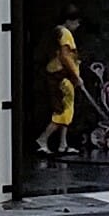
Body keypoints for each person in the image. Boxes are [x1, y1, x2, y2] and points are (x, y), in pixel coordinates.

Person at [36, 21, 86, 156]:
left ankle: (63, 144)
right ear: (70, 21)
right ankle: (42, 139)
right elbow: (66, 57)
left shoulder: (56, 33)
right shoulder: (65, 34)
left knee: (68, 109)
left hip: (61, 76)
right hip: (60, 77)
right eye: (77, 23)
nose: (77, 26)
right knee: (62, 112)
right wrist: (76, 76)